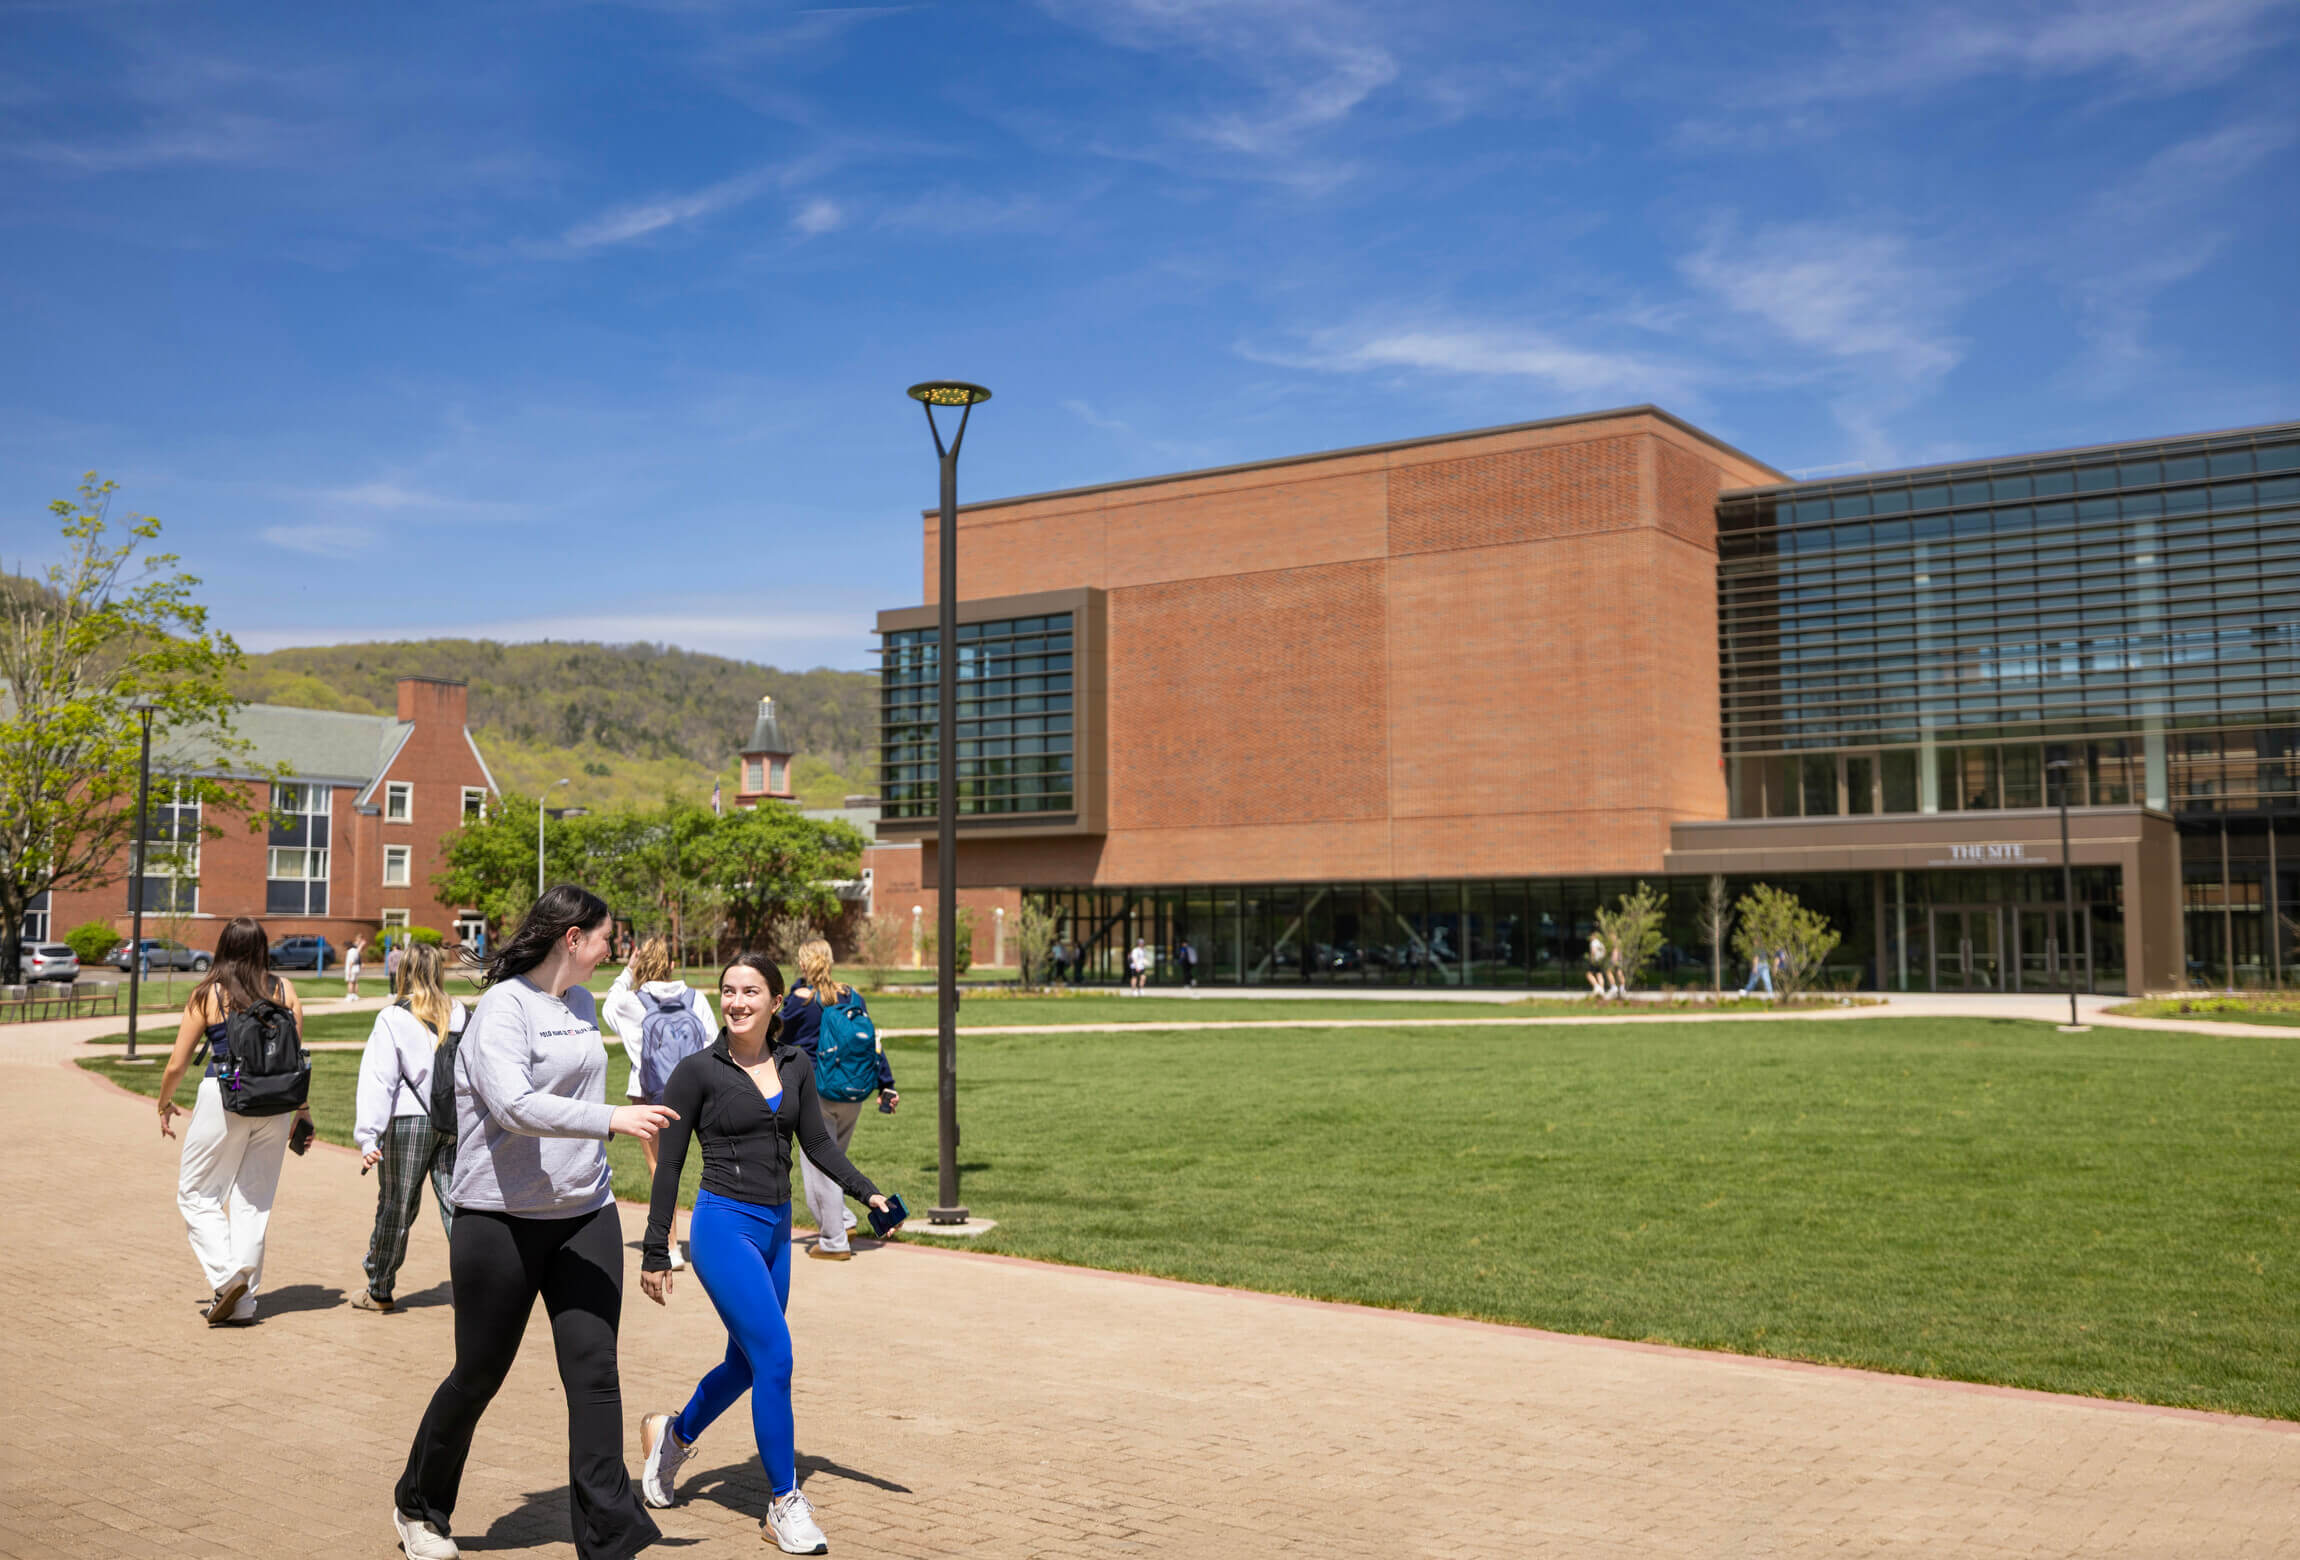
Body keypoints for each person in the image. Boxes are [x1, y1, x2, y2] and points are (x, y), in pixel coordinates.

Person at [392, 885, 674, 1560]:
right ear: (570, 939)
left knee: (595, 1373)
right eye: (607, 936)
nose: (616, 948)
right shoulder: (502, 1009)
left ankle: (609, 1536)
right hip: (501, 1219)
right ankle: (419, 1507)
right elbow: (514, 1105)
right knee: (478, 1373)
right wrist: (613, 1119)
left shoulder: (576, 1002)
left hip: (585, 1213)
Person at [634, 953, 895, 1555]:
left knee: (749, 1364)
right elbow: (669, 1163)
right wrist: (656, 1249)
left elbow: (818, 1145)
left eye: (751, 991)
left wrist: (869, 1193)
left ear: (777, 1001)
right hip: (724, 1228)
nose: (737, 1001)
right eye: (728, 991)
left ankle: (673, 1436)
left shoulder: (795, 1063)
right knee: (776, 1358)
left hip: (777, 1229)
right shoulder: (697, 1071)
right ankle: (783, 1502)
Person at [155, 916, 313, 1326]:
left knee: (196, 1193)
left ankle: (227, 1280)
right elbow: (295, 1056)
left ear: (223, 946)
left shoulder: (208, 993)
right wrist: (303, 1110)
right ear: (262, 948)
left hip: (224, 1097)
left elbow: (176, 1063)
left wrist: (163, 1102)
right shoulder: (283, 989)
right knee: (253, 1203)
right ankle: (243, 1302)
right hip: (276, 1103)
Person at [352, 942, 465, 1313]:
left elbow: (378, 1079)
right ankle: (481, 1284)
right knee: (458, 1206)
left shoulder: (394, 1017)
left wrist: (368, 1134)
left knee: (397, 1205)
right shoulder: (461, 1013)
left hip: (409, 1120)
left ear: (405, 970)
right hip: (454, 1120)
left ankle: (379, 1286)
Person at [602, 938, 718, 1270]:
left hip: (648, 1095)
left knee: (659, 1169)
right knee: (698, 1166)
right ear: (670, 964)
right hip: (691, 1094)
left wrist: (628, 970)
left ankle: (669, 1247)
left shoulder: (631, 1002)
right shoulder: (695, 999)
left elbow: (609, 1005)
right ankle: (700, 1240)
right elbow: (712, 1043)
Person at [777, 938, 896, 1261]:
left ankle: (834, 1241)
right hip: (853, 1091)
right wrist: (886, 1084)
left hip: (816, 1092)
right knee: (835, 1163)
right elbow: (872, 1041)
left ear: (803, 964)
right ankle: (844, 1220)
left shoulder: (798, 1003)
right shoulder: (852, 995)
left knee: (819, 1167)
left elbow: (775, 1040)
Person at [1585, 932, 1610, 999]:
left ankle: (1597, 987)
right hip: (1600, 961)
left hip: (1595, 961)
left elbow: (1593, 951)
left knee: (1588, 974)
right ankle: (1601, 990)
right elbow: (1605, 952)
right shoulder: (1601, 943)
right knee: (1599, 974)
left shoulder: (1594, 942)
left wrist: (1592, 959)